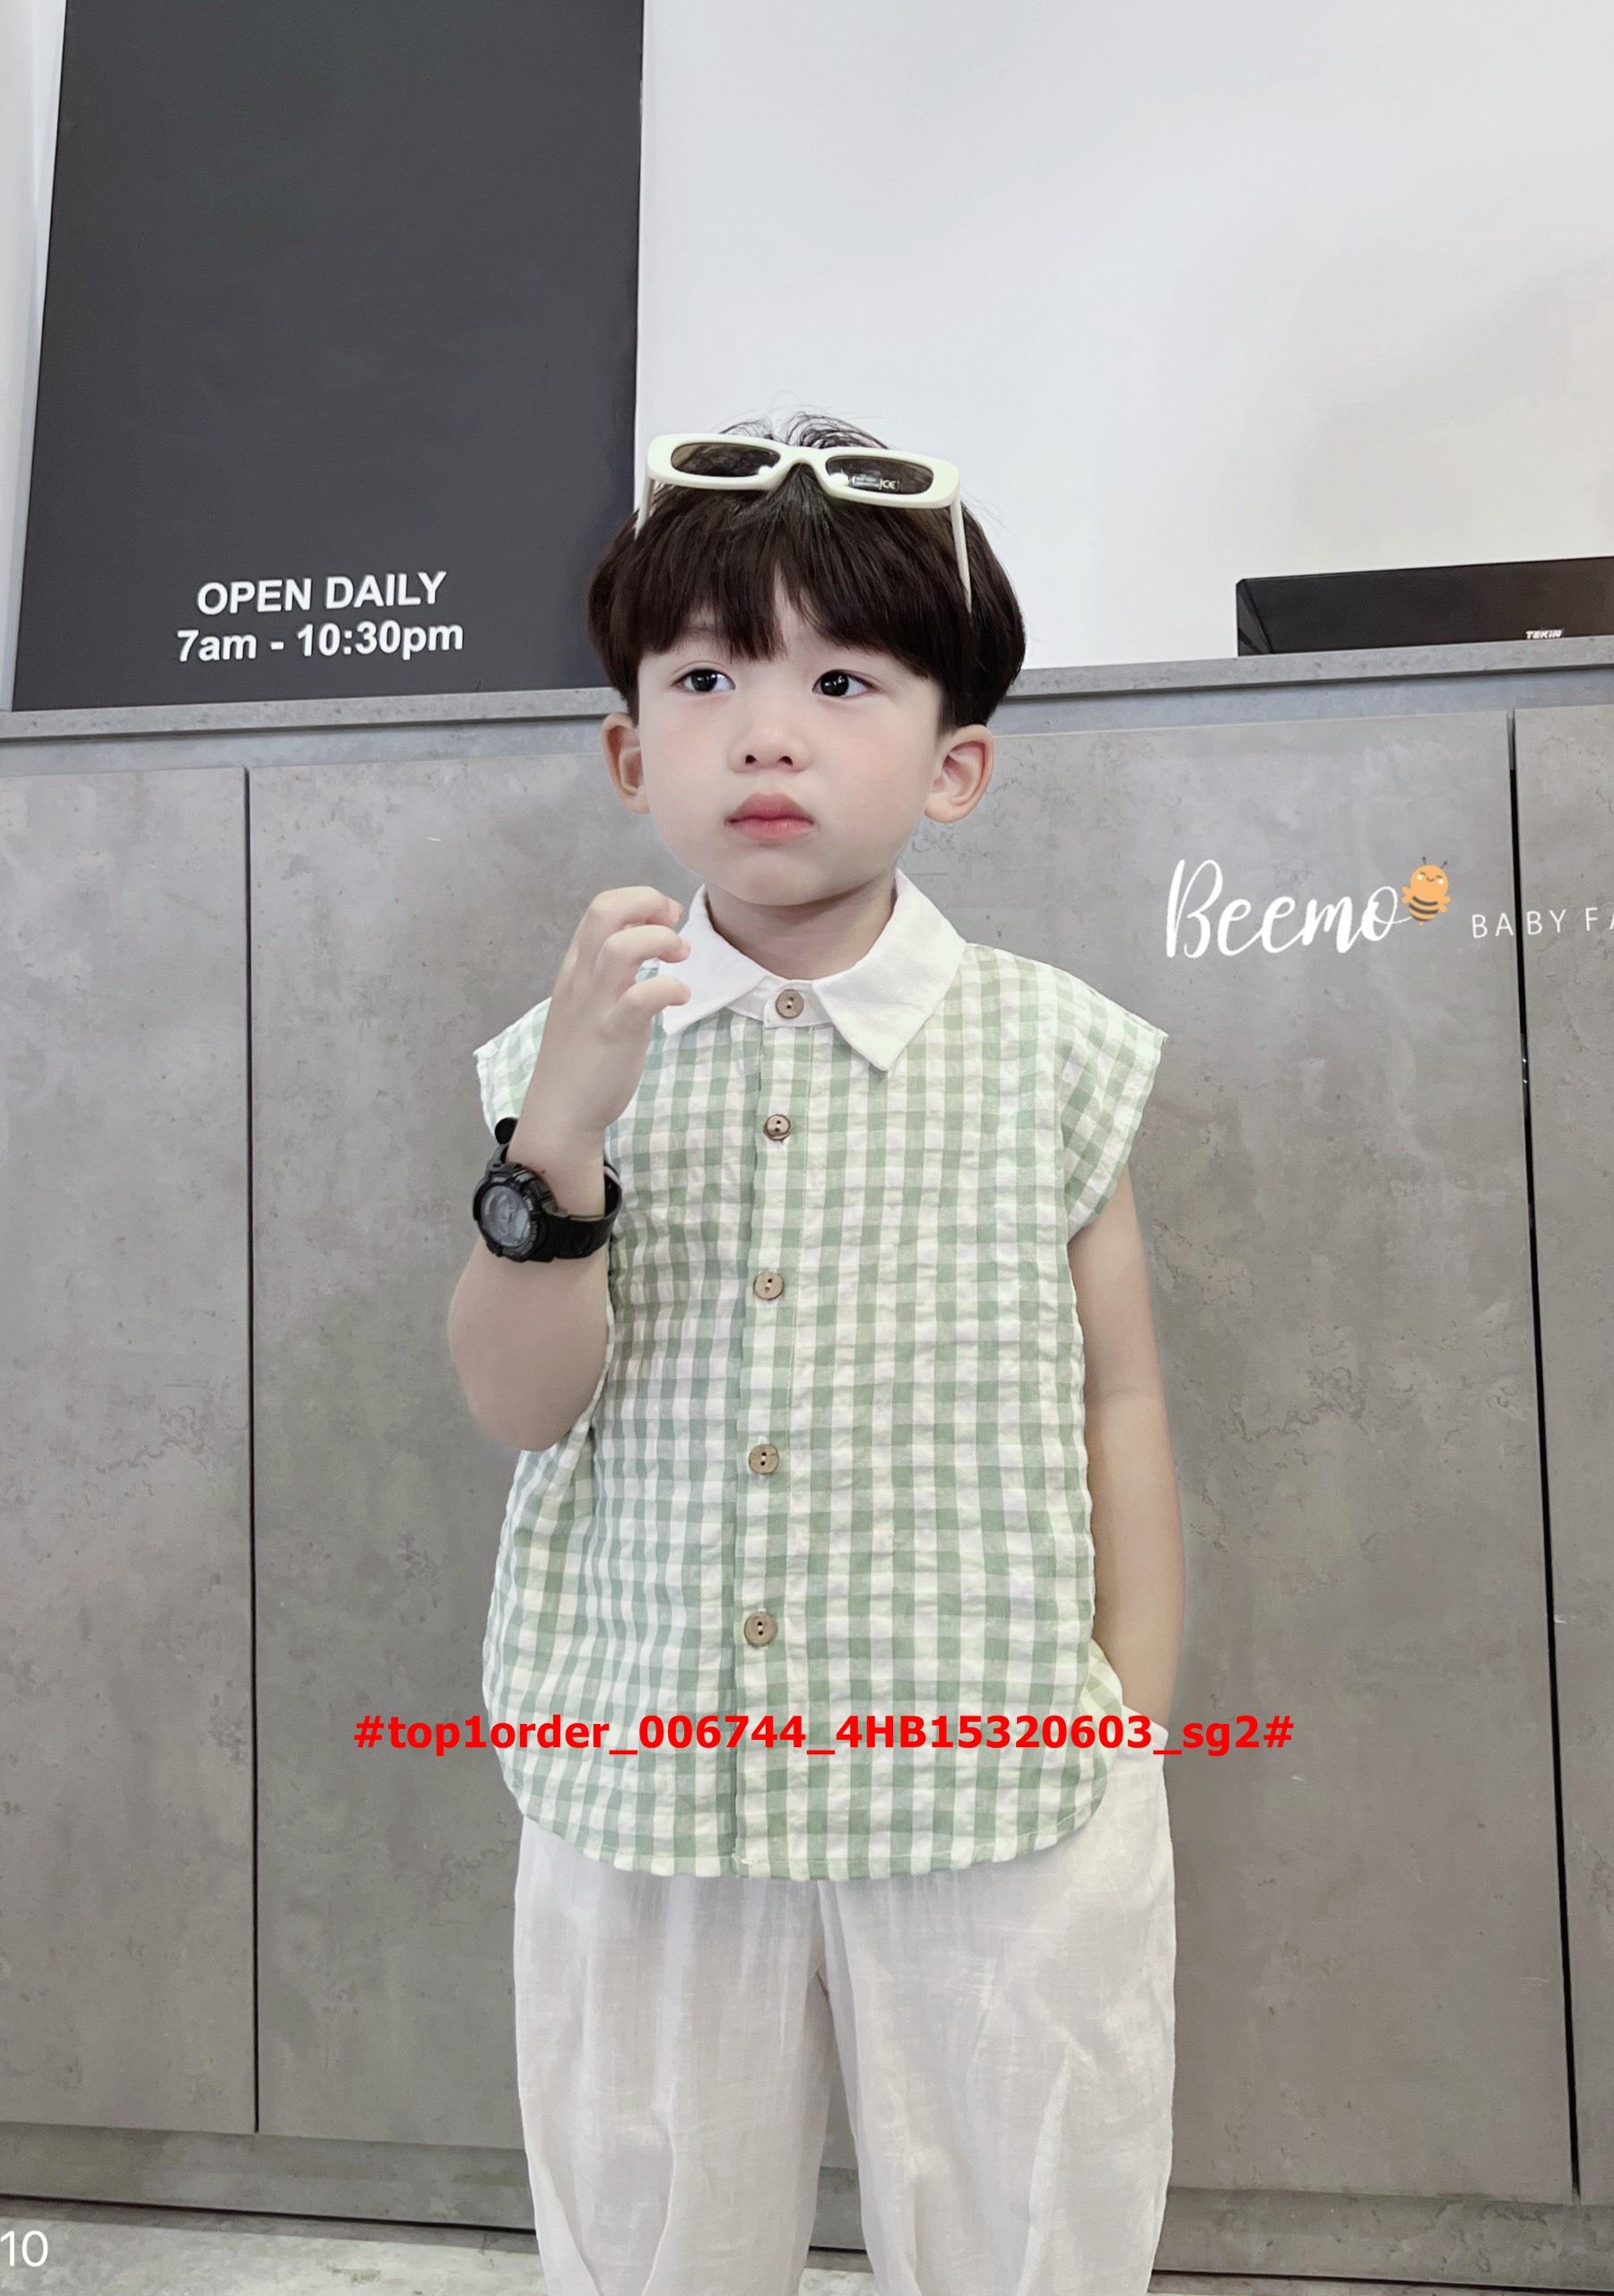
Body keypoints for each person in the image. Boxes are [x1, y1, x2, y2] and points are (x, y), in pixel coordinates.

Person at [447, 410, 1183, 2296]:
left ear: (954, 765)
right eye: (705, 677)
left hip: (989, 1759)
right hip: (643, 1766)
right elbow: (519, 1402)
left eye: (839, 680)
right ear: (630, 750)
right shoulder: (562, 1051)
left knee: (1026, 2214)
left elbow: (1117, 1392)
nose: (764, 731)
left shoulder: (1049, 1051)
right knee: (650, 2227)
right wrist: (564, 1122)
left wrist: (1128, 1721)